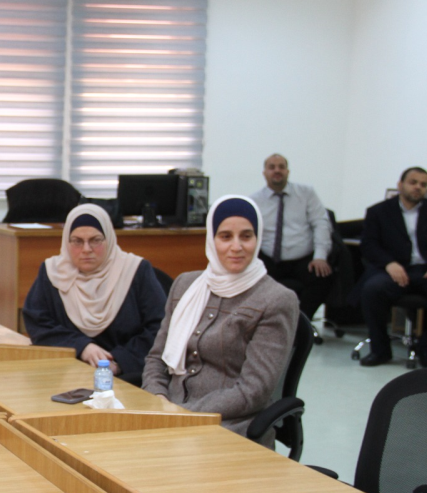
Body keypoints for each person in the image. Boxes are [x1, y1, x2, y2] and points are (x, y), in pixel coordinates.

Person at [142, 196, 299, 443]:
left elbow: (254, 391)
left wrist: (182, 414)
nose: (236, 246)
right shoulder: (185, 285)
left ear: (257, 239)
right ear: (211, 240)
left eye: (246, 236)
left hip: (230, 426)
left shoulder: (277, 299)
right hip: (168, 414)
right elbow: (156, 359)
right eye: (225, 237)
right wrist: (157, 398)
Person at [22, 203, 166, 379]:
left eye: (95, 240)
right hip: (66, 372)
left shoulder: (136, 271)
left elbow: (159, 328)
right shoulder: (52, 273)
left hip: (128, 375)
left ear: (109, 239)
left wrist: (119, 362)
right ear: (66, 242)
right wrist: (82, 347)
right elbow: (38, 324)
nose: (86, 249)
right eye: (77, 241)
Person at [355, 166, 427, 367]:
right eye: (413, 182)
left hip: (423, 270)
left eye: (423, 184)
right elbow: (369, 245)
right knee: (372, 290)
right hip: (392, 268)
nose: (418, 187)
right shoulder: (378, 211)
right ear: (400, 185)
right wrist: (389, 263)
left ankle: (424, 349)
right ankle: (380, 350)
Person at [250, 153, 333, 320]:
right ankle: (271, 322)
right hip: (269, 259)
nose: (277, 170)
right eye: (272, 167)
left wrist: (320, 256)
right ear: (264, 173)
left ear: (288, 171)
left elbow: (321, 223)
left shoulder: (306, 193)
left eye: (281, 167)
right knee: (251, 281)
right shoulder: (254, 200)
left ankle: (300, 322)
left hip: (303, 259)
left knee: (322, 276)